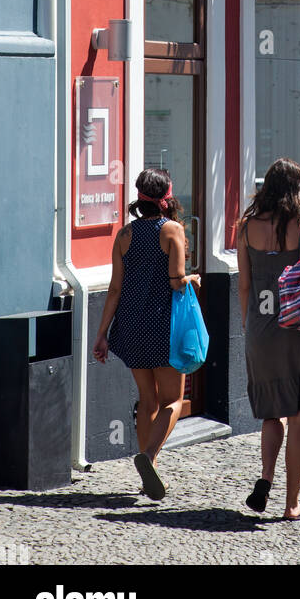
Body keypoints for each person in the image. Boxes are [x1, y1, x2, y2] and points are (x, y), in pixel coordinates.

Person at [237, 158, 300, 519]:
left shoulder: (246, 228)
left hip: (262, 331)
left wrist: (252, 330)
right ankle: (292, 503)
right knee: (299, 415)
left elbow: (245, 286)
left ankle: (266, 476)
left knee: (270, 414)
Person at [93, 168, 200, 500]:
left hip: (130, 326)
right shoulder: (172, 231)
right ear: (167, 197)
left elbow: (114, 289)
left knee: (147, 400)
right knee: (174, 401)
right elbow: (176, 280)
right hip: (163, 326)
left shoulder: (124, 235)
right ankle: (149, 458)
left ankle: (146, 475)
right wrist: (193, 280)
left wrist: (102, 334)